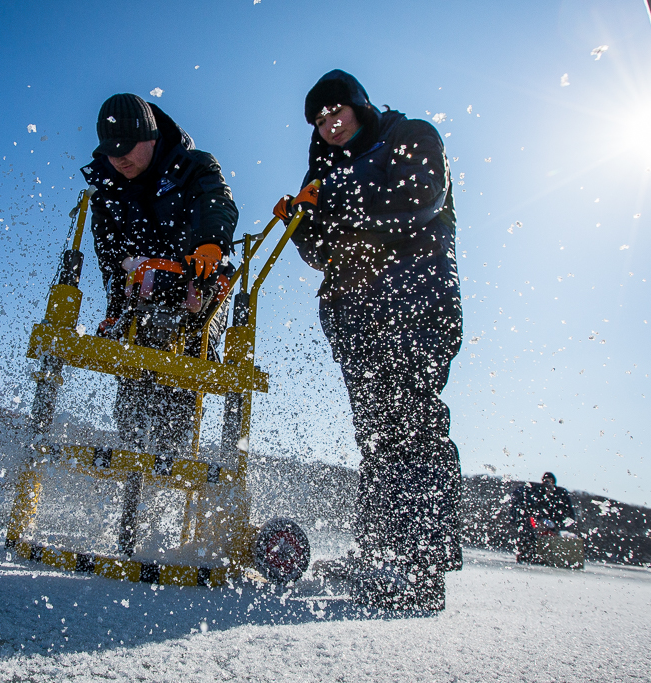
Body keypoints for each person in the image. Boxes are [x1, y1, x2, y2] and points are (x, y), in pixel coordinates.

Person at [275, 70, 462, 610]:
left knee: (413, 423)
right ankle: (383, 554)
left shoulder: (409, 136)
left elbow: (418, 199)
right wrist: (303, 223)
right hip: (357, 313)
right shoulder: (326, 170)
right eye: (319, 120)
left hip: (417, 303)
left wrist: (330, 195)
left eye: (337, 112)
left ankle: (420, 569)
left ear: (358, 106)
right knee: (378, 434)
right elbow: (321, 254)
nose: (331, 125)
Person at [81, 94, 239, 457]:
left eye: (127, 146)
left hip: (197, 288)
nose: (119, 157)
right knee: (134, 381)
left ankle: (171, 459)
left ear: (151, 137)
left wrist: (211, 243)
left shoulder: (194, 166)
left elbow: (217, 200)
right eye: (110, 149)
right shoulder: (105, 190)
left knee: (183, 368)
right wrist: (114, 306)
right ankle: (130, 452)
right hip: (142, 293)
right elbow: (110, 259)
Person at [512, 472, 577, 564]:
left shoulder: (561, 493)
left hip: (557, 523)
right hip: (540, 523)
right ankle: (528, 556)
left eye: (549, 482)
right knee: (527, 532)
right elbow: (534, 508)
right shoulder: (538, 492)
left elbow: (568, 512)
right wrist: (540, 520)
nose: (547, 485)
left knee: (557, 538)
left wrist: (560, 525)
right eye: (545, 482)